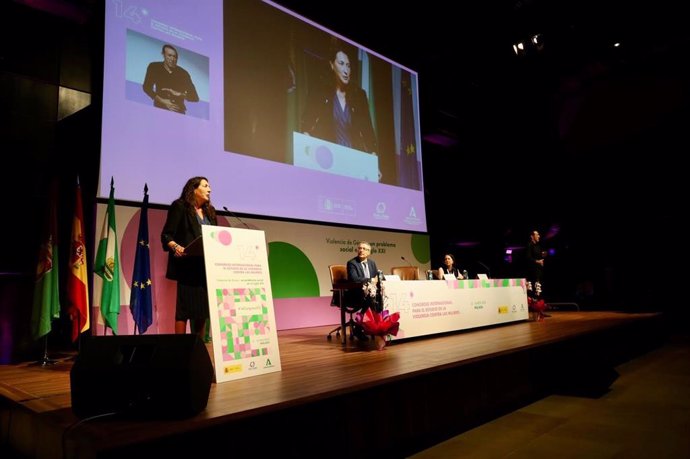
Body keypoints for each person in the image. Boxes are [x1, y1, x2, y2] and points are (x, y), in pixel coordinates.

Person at [161, 176, 217, 337]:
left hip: (205, 268)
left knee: (202, 309)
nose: (210, 190)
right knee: (184, 310)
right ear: (194, 188)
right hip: (187, 267)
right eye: (205, 186)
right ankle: (181, 346)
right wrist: (175, 246)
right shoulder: (180, 207)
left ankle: (197, 346)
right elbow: (166, 235)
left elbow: (215, 237)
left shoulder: (210, 212)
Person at [300, 45, 378, 154]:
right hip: (327, 158)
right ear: (332, 65)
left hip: (353, 160)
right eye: (341, 64)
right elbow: (306, 126)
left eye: (348, 65)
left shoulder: (359, 96)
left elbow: (368, 134)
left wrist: (373, 161)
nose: (346, 70)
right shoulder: (320, 92)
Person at [143, 44, 199, 114]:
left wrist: (180, 94)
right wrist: (162, 101)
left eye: (175, 57)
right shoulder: (154, 67)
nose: (172, 59)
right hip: (159, 110)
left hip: (178, 112)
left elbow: (195, 97)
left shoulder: (184, 73)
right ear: (163, 54)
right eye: (169, 55)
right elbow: (146, 87)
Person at [345, 241, 380, 340]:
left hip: (369, 293)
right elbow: (354, 279)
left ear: (369, 252)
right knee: (371, 299)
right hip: (355, 294)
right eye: (359, 248)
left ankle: (371, 327)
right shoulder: (352, 263)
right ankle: (361, 327)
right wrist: (370, 280)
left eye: (364, 249)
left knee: (379, 297)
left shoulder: (372, 263)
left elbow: (376, 277)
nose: (361, 250)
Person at [526, 230, 549, 318]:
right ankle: (536, 312)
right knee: (535, 291)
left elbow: (539, 256)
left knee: (540, 291)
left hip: (539, 271)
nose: (539, 236)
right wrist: (537, 261)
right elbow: (528, 258)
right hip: (533, 272)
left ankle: (541, 310)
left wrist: (542, 255)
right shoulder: (529, 245)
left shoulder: (538, 245)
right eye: (537, 234)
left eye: (539, 234)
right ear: (532, 236)